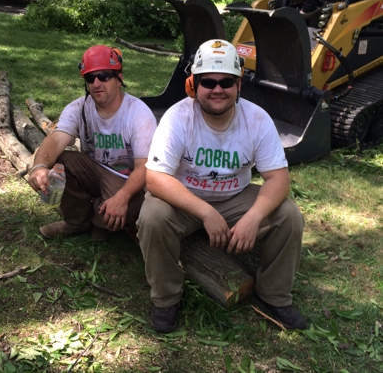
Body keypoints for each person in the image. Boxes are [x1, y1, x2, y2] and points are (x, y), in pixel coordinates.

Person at [137, 39, 307, 333]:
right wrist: (205, 213)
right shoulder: (178, 117)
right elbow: (155, 178)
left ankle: (274, 296)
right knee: (152, 217)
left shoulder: (257, 119)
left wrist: (253, 217)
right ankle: (166, 299)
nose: (217, 89)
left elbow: (278, 178)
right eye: (208, 82)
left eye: (226, 81)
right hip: (185, 199)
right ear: (194, 84)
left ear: (239, 84)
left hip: (235, 197)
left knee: (288, 216)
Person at [28, 45, 157, 241]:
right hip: (93, 170)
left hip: (124, 177)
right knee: (59, 161)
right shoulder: (79, 108)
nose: (96, 83)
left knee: (130, 207)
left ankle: (97, 219)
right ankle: (77, 221)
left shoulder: (138, 113)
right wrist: (38, 168)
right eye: (90, 77)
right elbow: (55, 139)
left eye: (104, 75)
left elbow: (144, 168)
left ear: (118, 78)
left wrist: (121, 198)